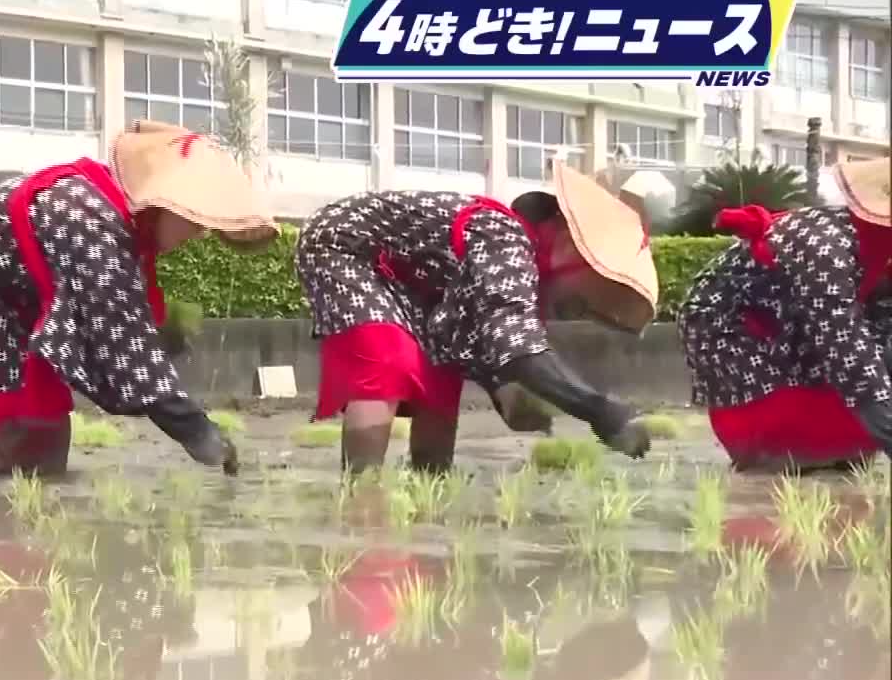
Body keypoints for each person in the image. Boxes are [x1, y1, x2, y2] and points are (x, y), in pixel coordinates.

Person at [0, 119, 276, 477]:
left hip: (13, 283)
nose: (197, 235)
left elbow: (122, 316)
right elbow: (125, 345)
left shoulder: (117, 215)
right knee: (8, 395)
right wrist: (196, 431)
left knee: (42, 420)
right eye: (193, 221)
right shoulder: (92, 221)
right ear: (160, 206)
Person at [295, 160, 659, 472]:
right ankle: (362, 496)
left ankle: (432, 485)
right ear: (567, 243)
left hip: (414, 285)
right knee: (388, 356)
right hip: (345, 246)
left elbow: (482, 340)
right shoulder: (508, 240)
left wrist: (510, 396)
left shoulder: (516, 263)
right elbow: (520, 351)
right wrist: (602, 412)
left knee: (440, 380)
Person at [679, 158, 892, 471]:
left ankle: (838, 446)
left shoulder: (881, 254)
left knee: (854, 435)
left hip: (797, 324)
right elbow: (841, 340)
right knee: (787, 451)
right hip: (733, 323)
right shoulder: (825, 244)